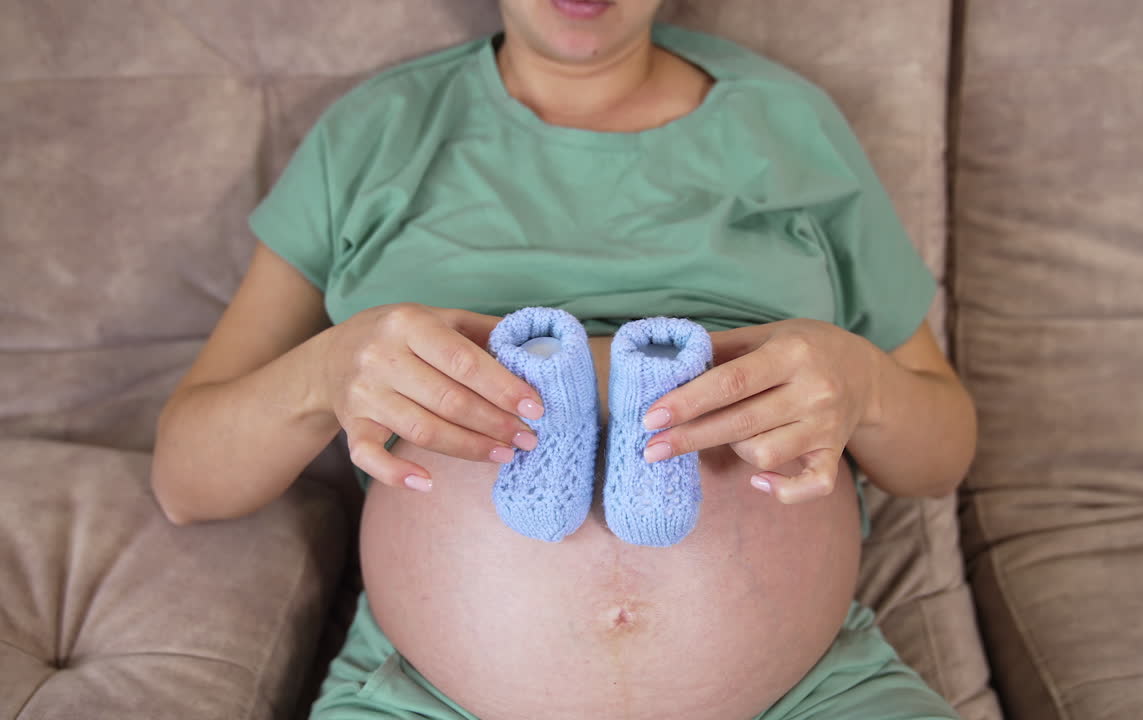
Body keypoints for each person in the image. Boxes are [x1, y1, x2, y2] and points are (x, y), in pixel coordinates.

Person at [151, 0, 977, 718]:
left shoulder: (791, 126)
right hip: (425, 697)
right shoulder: (375, 132)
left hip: (813, 693)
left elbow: (942, 455)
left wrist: (864, 385)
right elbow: (186, 481)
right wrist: (323, 374)